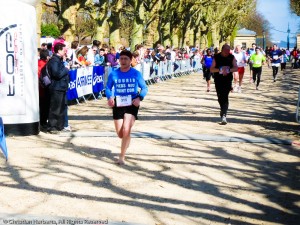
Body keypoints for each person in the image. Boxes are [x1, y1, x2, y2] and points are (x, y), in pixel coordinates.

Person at [105, 50, 148, 165]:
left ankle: (121, 157)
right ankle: (126, 138)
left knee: (126, 128)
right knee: (121, 134)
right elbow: (108, 88)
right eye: (121, 59)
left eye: (126, 59)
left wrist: (139, 98)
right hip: (118, 104)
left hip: (132, 103)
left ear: (130, 60)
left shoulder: (136, 73)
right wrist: (109, 98)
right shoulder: (113, 74)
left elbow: (144, 88)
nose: (123, 61)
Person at [210, 44, 238, 125]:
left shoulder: (231, 57)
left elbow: (236, 68)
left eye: (228, 51)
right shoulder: (216, 57)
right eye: (226, 51)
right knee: (220, 97)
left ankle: (224, 114)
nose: (227, 53)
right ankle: (222, 110)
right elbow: (212, 69)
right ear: (222, 50)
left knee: (225, 96)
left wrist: (228, 70)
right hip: (218, 80)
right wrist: (221, 70)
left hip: (228, 80)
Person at [47, 43, 70, 134]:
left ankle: (59, 126)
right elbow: (57, 74)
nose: (65, 52)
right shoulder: (54, 61)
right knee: (55, 108)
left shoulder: (58, 60)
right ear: (59, 50)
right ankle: (52, 126)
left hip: (61, 87)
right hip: (56, 87)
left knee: (62, 107)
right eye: (64, 50)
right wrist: (66, 69)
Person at [38, 49, 50, 129]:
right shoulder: (45, 65)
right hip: (44, 89)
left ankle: (42, 121)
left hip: (39, 89)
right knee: (44, 107)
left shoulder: (38, 63)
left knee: (41, 106)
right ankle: (43, 122)